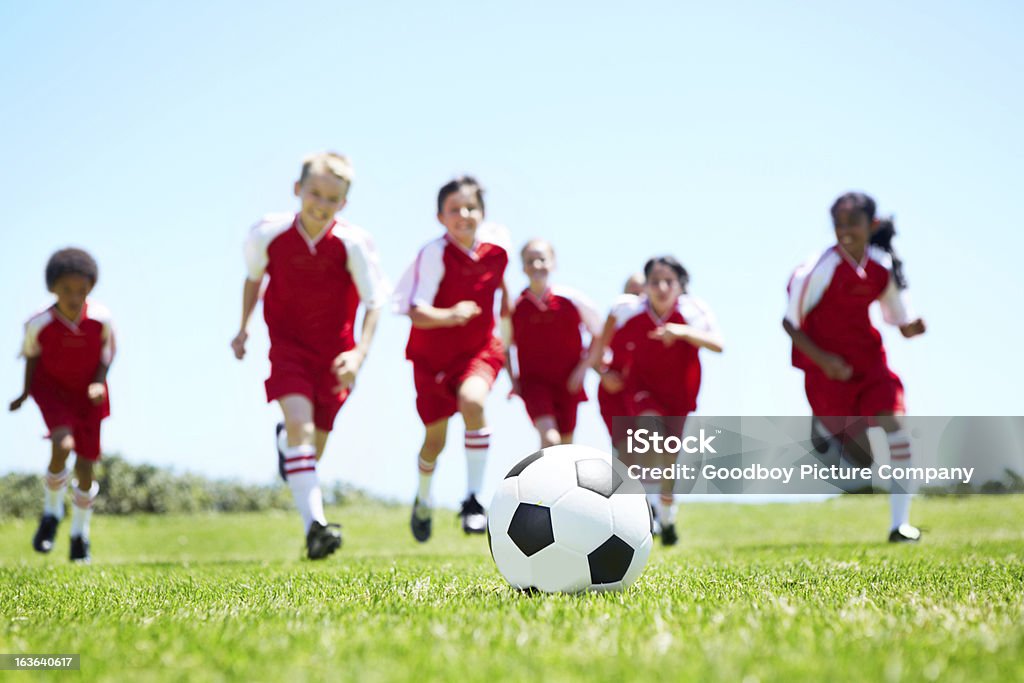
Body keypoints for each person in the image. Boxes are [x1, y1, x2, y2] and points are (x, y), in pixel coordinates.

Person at [231, 152, 388, 559]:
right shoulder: (267, 234)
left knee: (311, 447)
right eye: (314, 193)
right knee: (300, 427)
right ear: (297, 189)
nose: (320, 204)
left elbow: (374, 303)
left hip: (336, 361)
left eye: (331, 198)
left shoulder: (353, 243)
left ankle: (287, 444)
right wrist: (244, 327)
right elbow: (253, 278)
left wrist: (358, 354)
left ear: (344, 204)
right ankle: (315, 529)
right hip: (288, 350)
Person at [784, 191, 926, 543]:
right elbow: (790, 323)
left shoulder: (882, 264)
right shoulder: (817, 268)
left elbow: (898, 318)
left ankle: (900, 526)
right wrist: (825, 361)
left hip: (868, 362)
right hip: (826, 370)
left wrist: (912, 327)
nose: (845, 231)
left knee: (897, 429)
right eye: (838, 224)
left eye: (853, 223)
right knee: (862, 461)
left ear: (872, 225)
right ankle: (825, 429)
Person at [394, 176, 510, 542]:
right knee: (435, 442)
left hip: (478, 350)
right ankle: (424, 499)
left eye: (471, 208)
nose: (463, 215)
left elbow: (501, 289)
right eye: (454, 209)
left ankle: (474, 501)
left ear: (483, 213)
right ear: (440, 216)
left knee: (473, 401)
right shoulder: (434, 254)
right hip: (432, 360)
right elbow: (416, 310)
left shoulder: (498, 248)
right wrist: (451, 315)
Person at [592, 257, 723, 546]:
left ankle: (666, 513)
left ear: (679, 285)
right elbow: (600, 348)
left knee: (669, 459)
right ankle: (645, 511)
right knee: (647, 433)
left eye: (669, 281)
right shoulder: (627, 310)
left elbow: (718, 343)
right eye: (654, 281)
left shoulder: (692, 310)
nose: (661, 287)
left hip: (679, 395)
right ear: (646, 285)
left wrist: (683, 332)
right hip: (641, 390)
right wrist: (602, 371)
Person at [10, 248, 115, 563]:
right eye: (67, 290)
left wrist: (99, 381)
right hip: (52, 391)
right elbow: (31, 357)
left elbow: (108, 353)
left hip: (89, 395)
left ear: (91, 288)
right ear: (52, 288)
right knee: (63, 443)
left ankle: (79, 536)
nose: (74, 296)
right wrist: (25, 392)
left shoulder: (101, 319)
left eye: (81, 290)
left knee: (85, 469)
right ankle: (52, 512)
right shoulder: (39, 323)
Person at [508, 239, 602, 448]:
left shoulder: (572, 299)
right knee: (550, 439)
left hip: (569, 383)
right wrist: (512, 379)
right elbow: (504, 344)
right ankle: (542, 480)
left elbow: (599, 334)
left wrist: (582, 369)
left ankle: (557, 481)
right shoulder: (515, 307)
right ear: (523, 267)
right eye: (530, 261)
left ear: (553, 263)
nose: (536, 265)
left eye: (542, 259)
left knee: (566, 447)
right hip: (534, 384)